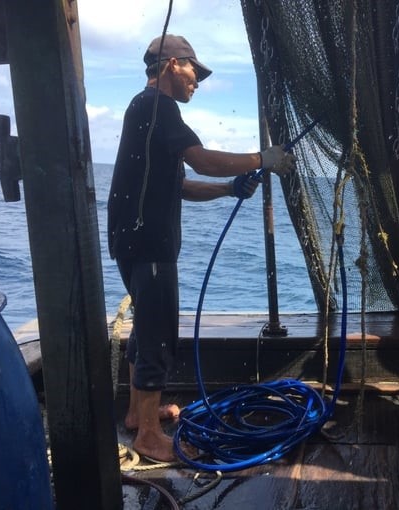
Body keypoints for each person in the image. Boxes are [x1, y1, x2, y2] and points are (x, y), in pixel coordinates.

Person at [107, 34, 295, 462]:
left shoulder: (143, 110)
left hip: (131, 239)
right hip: (150, 242)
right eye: (195, 71)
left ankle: (138, 414)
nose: (199, 81)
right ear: (173, 65)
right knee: (156, 334)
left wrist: (230, 188)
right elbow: (201, 159)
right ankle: (150, 436)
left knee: (145, 323)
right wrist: (262, 159)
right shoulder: (158, 105)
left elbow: (182, 185)